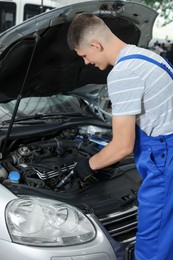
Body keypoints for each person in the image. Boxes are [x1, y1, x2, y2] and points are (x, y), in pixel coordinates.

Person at [67, 13, 173, 260]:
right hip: (166, 150)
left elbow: (123, 146)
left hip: (164, 160)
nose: (85, 63)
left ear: (95, 45)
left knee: (152, 246)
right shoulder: (147, 56)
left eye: (84, 55)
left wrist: (87, 165)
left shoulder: (123, 73)